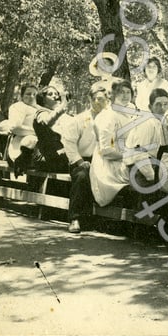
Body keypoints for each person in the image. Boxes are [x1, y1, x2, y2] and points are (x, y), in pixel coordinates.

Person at [60, 81, 107, 234]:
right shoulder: (79, 119)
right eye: (97, 98)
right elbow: (69, 142)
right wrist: (80, 161)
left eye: (103, 99)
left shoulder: (109, 119)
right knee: (81, 177)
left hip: (103, 160)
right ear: (90, 99)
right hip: (82, 160)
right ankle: (75, 219)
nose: (99, 102)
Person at [89, 79, 139, 207]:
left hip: (126, 157)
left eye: (128, 92)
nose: (125, 95)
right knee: (145, 173)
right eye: (121, 92)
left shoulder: (130, 111)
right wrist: (130, 156)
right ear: (113, 94)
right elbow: (106, 150)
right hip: (109, 163)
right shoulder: (108, 116)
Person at [123, 88, 168, 195]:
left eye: (165, 104)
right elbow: (139, 155)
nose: (162, 108)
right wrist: (152, 177)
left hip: (154, 166)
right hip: (139, 170)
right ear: (150, 107)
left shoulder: (163, 123)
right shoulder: (147, 122)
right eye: (158, 105)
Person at [30, 86, 70, 173]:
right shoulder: (41, 112)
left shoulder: (58, 114)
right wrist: (62, 106)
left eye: (56, 94)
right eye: (50, 94)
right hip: (45, 156)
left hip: (57, 154)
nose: (55, 96)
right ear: (43, 99)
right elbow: (47, 122)